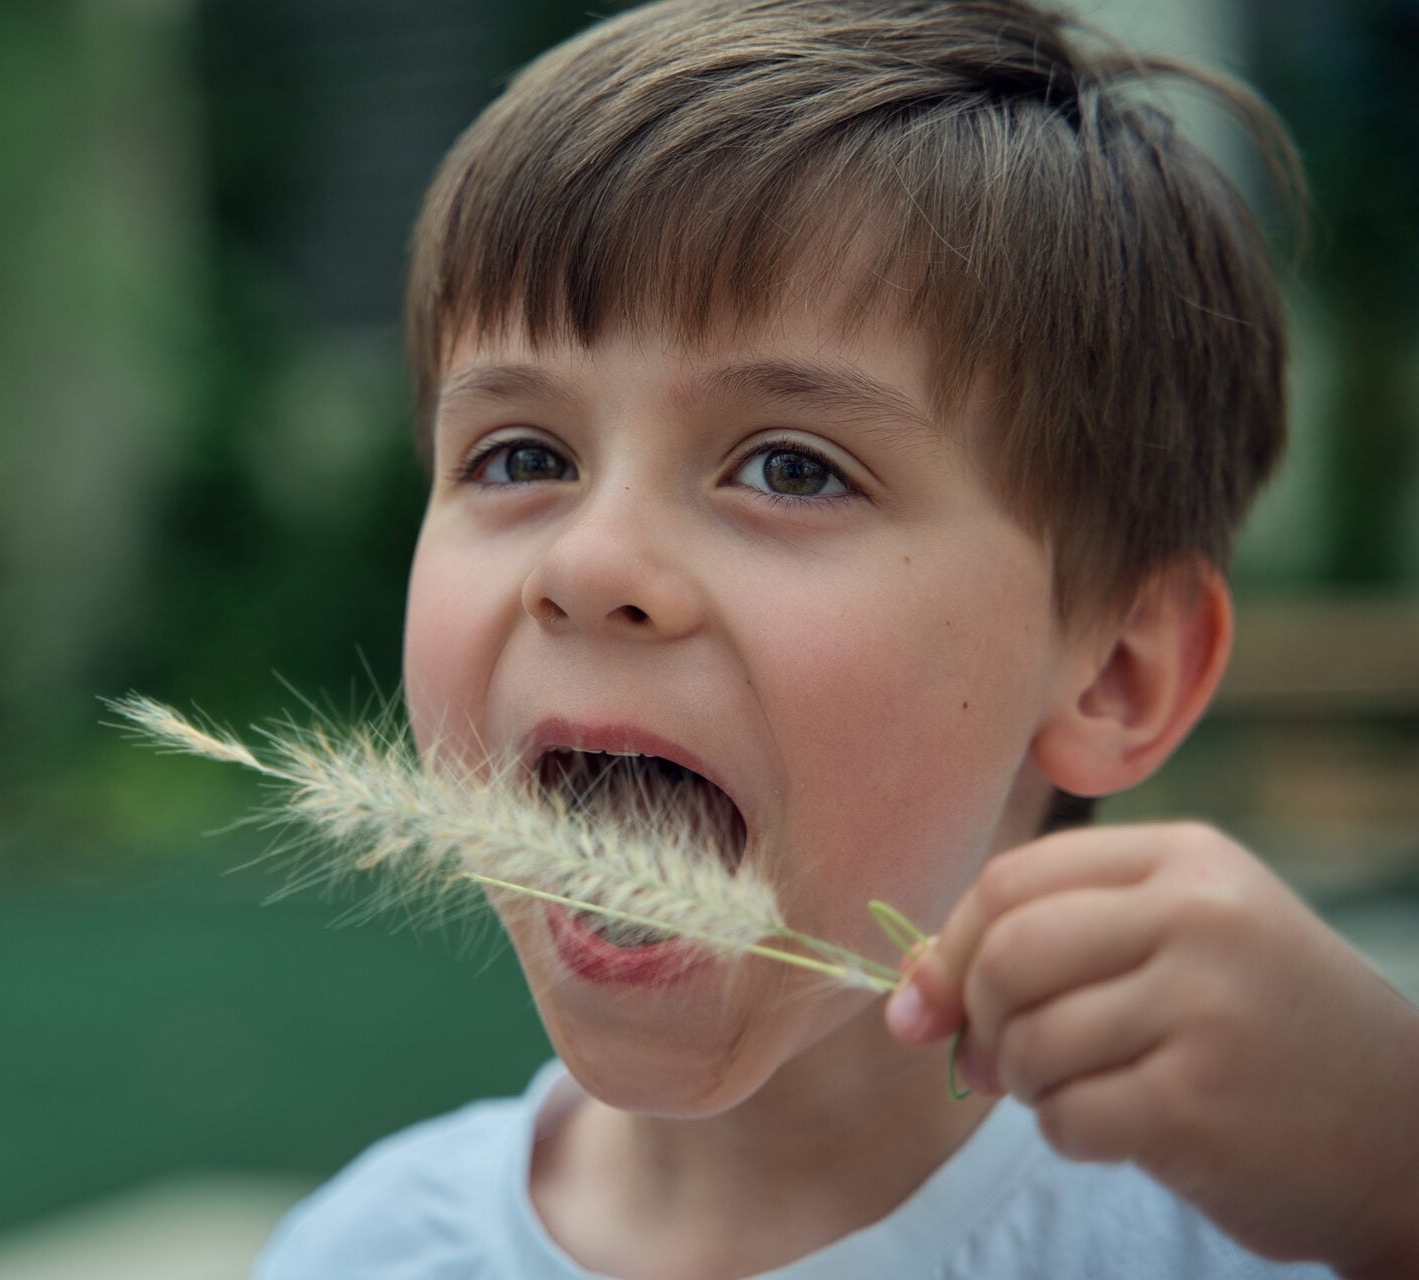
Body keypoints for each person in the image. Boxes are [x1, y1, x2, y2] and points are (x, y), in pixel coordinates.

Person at [252, 1, 1419, 1276]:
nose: (586, 564)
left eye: (792, 468)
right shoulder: (361, 1250)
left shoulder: (1275, 1227)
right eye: (522, 454)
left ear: (1117, 671)